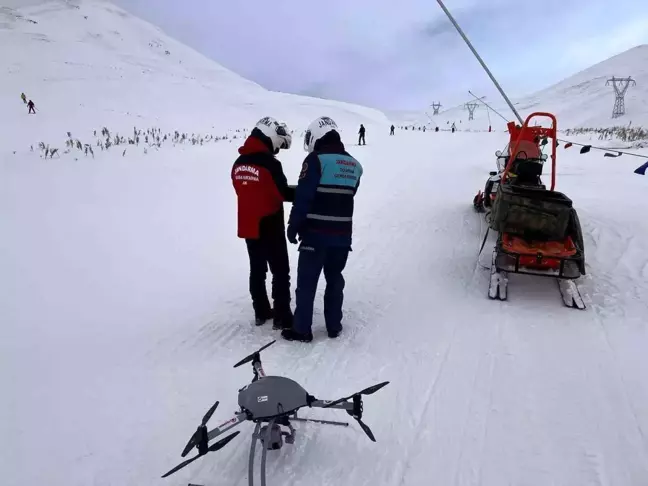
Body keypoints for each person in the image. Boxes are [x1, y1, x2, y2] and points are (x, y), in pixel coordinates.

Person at [282, 117, 363, 342]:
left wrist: (293, 225)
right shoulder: (355, 165)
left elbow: (303, 198)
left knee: (307, 285)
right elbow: (349, 194)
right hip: (342, 237)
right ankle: (334, 325)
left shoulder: (316, 160)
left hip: (315, 236)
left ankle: (302, 330)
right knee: (335, 279)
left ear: (317, 135)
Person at [231, 116, 295, 330]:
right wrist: (303, 192)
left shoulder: (238, 164)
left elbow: (241, 190)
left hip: (248, 223)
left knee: (257, 269)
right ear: (269, 135)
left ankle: (260, 311)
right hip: (270, 221)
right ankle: (282, 316)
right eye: (278, 142)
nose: (278, 148)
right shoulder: (270, 164)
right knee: (280, 270)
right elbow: (283, 192)